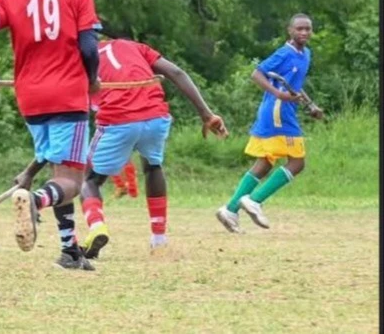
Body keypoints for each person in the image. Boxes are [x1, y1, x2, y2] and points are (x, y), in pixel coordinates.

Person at [0, 0, 102, 270]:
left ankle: (69, 250)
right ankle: (35, 201)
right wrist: (92, 79)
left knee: (61, 172)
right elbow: (89, 46)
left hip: (30, 98)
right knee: (72, 180)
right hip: (69, 94)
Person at [77, 35, 228, 259]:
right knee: (153, 167)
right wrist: (206, 114)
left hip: (118, 121)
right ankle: (159, 240)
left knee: (89, 180)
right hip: (155, 117)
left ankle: (97, 226)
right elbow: (177, 72)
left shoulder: (81, 57)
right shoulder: (132, 46)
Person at [216, 14, 323, 233]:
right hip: (277, 111)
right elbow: (257, 74)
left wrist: (310, 105)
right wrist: (278, 94)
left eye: (308, 29)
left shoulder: (306, 54)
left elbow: (295, 85)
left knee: (265, 162)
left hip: (284, 110)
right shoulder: (284, 53)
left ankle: (230, 209)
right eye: (299, 29)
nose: (304, 33)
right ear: (290, 31)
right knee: (297, 162)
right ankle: (254, 200)